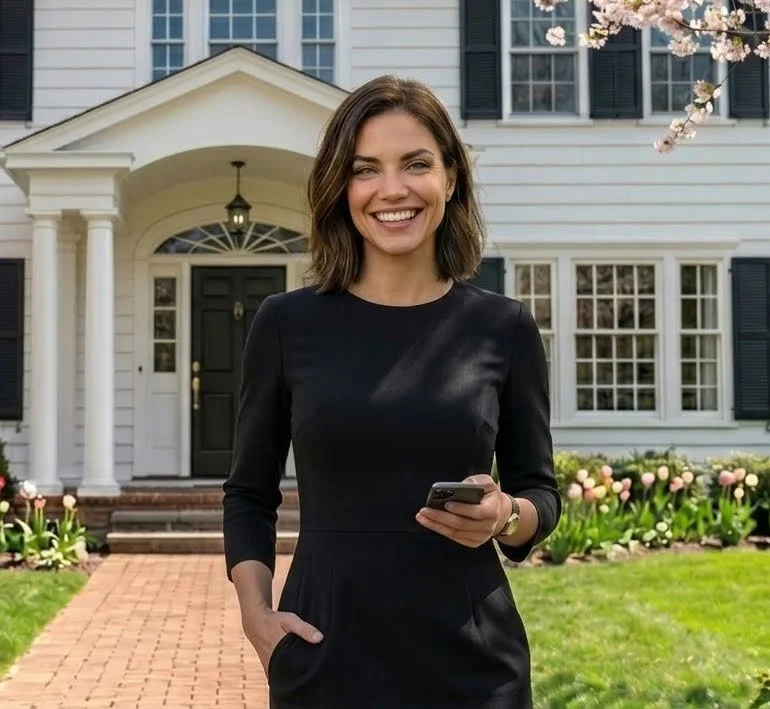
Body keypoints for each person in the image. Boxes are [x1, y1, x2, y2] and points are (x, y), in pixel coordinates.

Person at [222, 74, 562, 709]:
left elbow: (540, 492)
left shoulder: (504, 327)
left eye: (416, 164)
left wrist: (505, 516)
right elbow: (248, 493)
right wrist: (257, 616)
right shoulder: (286, 324)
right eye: (365, 169)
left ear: (450, 178)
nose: (392, 189)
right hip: (325, 655)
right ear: (341, 188)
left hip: (472, 663)